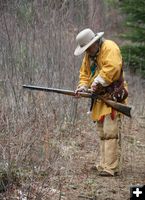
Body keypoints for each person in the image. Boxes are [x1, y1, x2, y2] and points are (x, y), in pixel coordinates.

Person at [74, 28, 128, 176]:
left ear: (95, 42)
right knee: (102, 132)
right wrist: (83, 87)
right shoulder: (89, 56)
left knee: (111, 132)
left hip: (112, 96)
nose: (87, 50)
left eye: (88, 47)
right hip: (99, 99)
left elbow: (113, 68)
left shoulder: (109, 47)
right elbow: (84, 74)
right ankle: (104, 164)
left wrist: (97, 81)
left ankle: (111, 167)